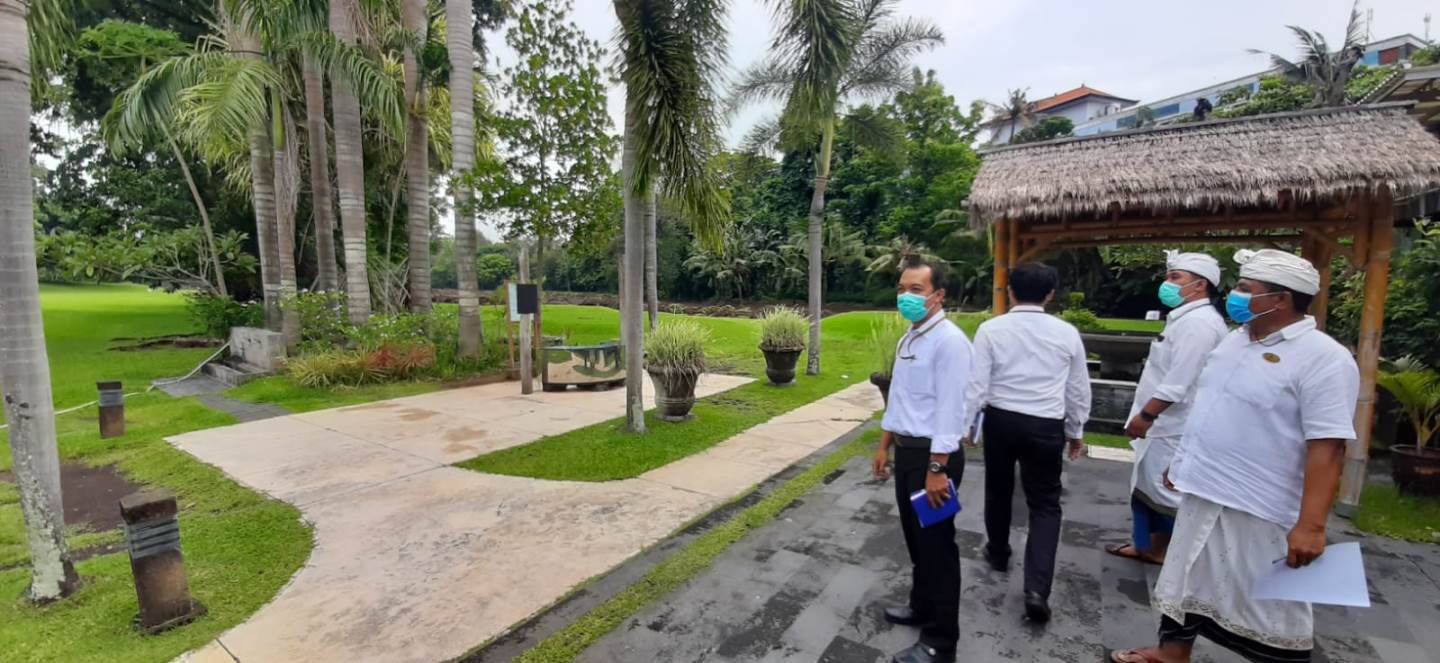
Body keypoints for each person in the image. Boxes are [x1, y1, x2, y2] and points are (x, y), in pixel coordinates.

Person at [1110, 249, 1359, 663]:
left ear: (1281, 299)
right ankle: (1172, 651)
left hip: (1260, 506)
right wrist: (1184, 461)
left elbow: (1328, 446)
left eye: (1246, 288)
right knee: (1184, 576)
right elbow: (1210, 407)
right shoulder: (1234, 341)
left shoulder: (1324, 359)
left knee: (1271, 602)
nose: (1235, 295)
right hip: (1204, 490)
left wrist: (1312, 526)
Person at [962, 262, 1091, 623]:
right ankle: (1037, 589)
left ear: (1010, 292)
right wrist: (1076, 429)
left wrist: (968, 424)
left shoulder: (991, 329)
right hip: (1045, 423)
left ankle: (998, 551)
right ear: (1050, 295)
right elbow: (1078, 387)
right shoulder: (1067, 333)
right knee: (1046, 504)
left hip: (1001, 420)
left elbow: (977, 384)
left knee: (998, 489)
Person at [873, 257, 973, 663]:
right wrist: (884, 444)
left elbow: (952, 411)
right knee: (917, 540)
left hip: (934, 459)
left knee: (938, 547)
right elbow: (899, 399)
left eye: (916, 289)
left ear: (938, 295)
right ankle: (921, 605)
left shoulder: (950, 342)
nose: (906, 297)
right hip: (908, 452)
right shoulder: (911, 338)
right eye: (902, 288)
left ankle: (940, 641)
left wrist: (937, 469)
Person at [1106, 251, 1227, 565]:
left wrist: (1147, 415)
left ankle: (1173, 555)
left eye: (1175, 278)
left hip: (1173, 425)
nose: (1167, 284)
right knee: (1148, 486)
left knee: (1166, 491)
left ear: (1200, 285)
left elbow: (1179, 381)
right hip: (1163, 424)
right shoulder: (1185, 320)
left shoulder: (1199, 325)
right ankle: (1150, 546)